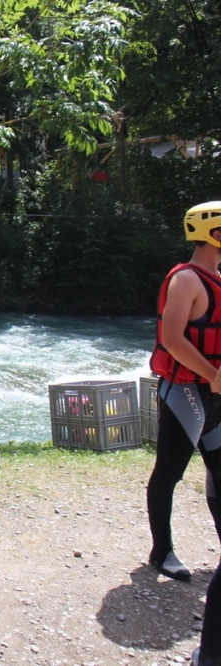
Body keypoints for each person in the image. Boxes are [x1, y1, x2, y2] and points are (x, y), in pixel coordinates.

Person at [146, 200, 221, 584]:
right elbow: (172, 339)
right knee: (169, 471)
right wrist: (212, 374)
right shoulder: (186, 280)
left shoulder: (218, 278)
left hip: (215, 393)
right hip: (186, 392)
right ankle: (161, 551)